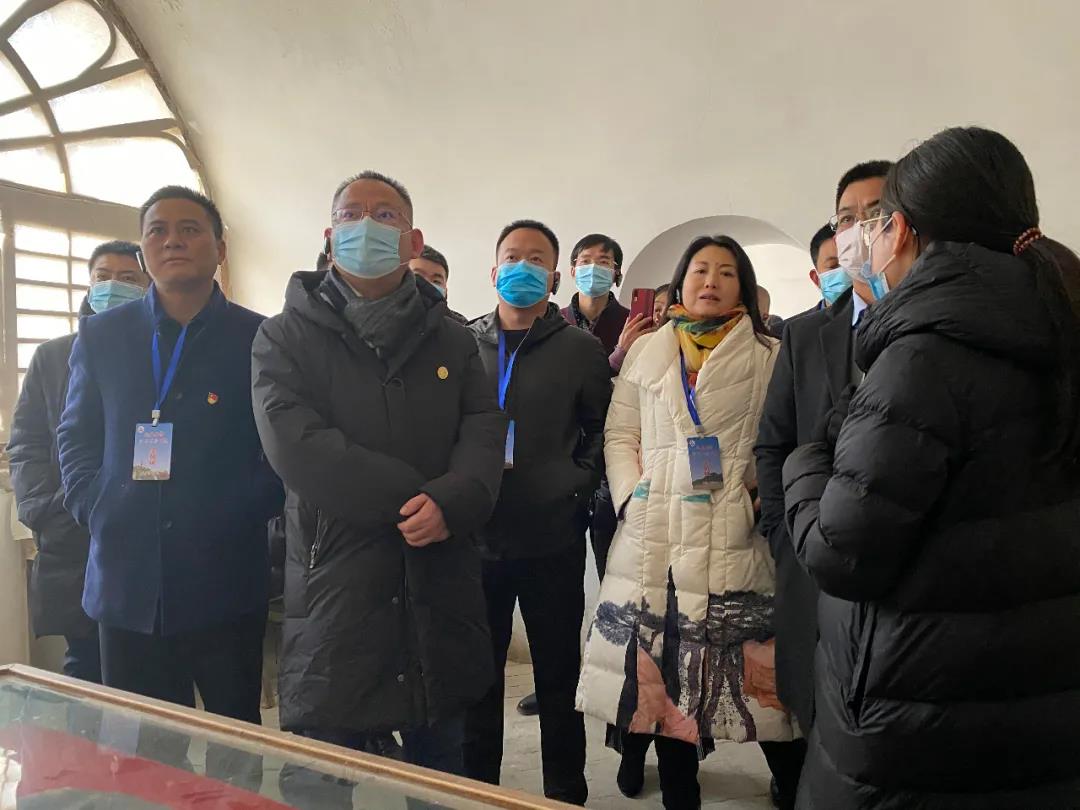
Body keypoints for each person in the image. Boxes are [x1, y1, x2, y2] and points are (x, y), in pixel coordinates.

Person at [783, 126, 1080, 808]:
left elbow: (841, 553)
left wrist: (806, 462)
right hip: (1044, 692)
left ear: (902, 231)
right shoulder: (1061, 322)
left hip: (921, 708)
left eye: (878, 222)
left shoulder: (925, 356)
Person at [250, 171, 505, 783]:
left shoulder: (454, 339)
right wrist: (419, 500)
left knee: (441, 774)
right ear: (329, 236)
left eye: (385, 215)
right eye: (351, 214)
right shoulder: (283, 335)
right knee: (321, 777)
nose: (366, 226)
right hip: (334, 583)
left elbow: (483, 428)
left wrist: (454, 501)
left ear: (413, 241)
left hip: (437, 576)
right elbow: (295, 443)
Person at [577, 235, 799, 810]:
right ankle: (679, 789)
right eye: (700, 270)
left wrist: (757, 497)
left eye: (726, 272)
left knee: (756, 672)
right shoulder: (649, 351)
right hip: (655, 532)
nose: (711, 281)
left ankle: (793, 781)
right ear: (681, 282)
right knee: (662, 666)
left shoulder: (771, 355)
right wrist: (630, 497)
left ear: (743, 286)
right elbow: (619, 433)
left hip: (734, 534)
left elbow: (788, 437)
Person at [57, 186, 283, 725]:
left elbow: (280, 445)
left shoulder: (260, 337)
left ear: (220, 249)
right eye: (157, 230)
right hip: (126, 579)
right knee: (140, 744)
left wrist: (242, 510)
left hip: (224, 577)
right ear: (143, 251)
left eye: (190, 229)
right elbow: (75, 433)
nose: (172, 240)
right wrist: (95, 504)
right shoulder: (102, 335)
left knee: (234, 740)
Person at [464, 219, 611, 806]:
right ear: (493, 269)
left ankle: (564, 793)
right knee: (478, 679)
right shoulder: (463, 344)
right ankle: (477, 791)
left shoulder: (580, 349)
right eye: (511, 256)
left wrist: (574, 483)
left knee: (557, 676)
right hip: (476, 540)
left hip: (552, 538)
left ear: (553, 277)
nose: (521, 267)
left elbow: (602, 431)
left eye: (535, 259)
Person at [753, 160, 891, 753]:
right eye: (846, 220)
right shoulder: (807, 335)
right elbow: (773, 442)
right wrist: (785, 535)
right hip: (813, 560)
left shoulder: (942, 326)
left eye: (877, 214)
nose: (860, 231)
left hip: (907, 577)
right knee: (817, 717)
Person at [8, 241, 149, 684]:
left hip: (143, 532)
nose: (112, 286)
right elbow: (27, 441)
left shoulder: (161, 350)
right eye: (102, 277)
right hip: (72, 531)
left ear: (148, 287)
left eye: (127, 278)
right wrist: (41, 507)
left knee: (147, 678)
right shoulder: (53, 357)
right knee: (85, 669)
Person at [409, 244, 468, 323]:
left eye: (436, 281)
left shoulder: (461, 327)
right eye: (418, 277)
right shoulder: (392, 321)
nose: (427, 285)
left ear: (446, 292)